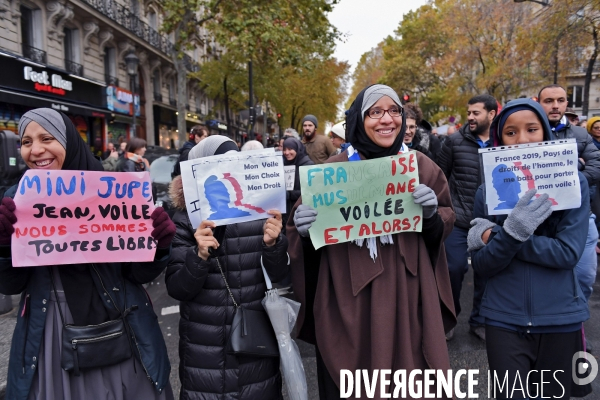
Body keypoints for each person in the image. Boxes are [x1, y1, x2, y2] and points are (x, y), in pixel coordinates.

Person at [287, 84, 456, 398]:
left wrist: (433, 215)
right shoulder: (331, 173)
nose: (387, 120)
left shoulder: (420, 167)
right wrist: (303, 230)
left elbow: (445, 222)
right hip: (347, 301)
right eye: (375, 112)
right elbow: (303, 245)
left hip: (408, 298)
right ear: (358, 121)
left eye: (394, 111)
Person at [0, 108, 176, 400]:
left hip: (120, 330)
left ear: (68, 141)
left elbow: (136, 273)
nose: (36, 150)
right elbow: (10, 285)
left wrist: (159, 245)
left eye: (47, 138)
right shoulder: (14, 200)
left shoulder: (113, 193)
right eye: (26, 142)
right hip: (50, 334)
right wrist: (4, 245)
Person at [468, 99, 591, 399]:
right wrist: (508, 236)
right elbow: (482, 265)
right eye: (511, 132)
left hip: (559, 318)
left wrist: (502, 234)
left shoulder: (575, 184)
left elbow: (567, 253)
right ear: (500, 139)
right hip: (503, 319)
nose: (522, 139)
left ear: (546, 133)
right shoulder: (489, 192)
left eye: (532, 129)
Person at [165, 135, 289, 400]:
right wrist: (198, 256)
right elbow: (177, 287)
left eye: (233, 164)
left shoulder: (260, 212)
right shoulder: (186, 219)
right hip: (204, 349)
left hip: (254, 344)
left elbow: (280, 276)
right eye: (217, 165)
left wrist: (273, 245)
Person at [437, 94, 498, 341]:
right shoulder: (453, 142)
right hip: (459, 221)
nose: (470, 117)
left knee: (487, 271)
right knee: (454, 268)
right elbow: (440, 177)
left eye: (476, 113)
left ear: (492, 114)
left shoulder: (503, 141)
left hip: (491, 222)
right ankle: (449, 320)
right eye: (469, 113)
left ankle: (479, 321)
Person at [538, 84, 600, 303]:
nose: (555, 106)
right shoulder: (531, 132)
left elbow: (595, 167)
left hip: (580, 213)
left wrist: (575, 168)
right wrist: (572, 166)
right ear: (539, 103)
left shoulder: (581, 134)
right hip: (541, 214)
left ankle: (578, 319)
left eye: (561, 100)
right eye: (549, 101)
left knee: (585, 274)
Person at [282, 137, 314, 230]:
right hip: (285, 212)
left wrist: (290, 194)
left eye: (290, 149)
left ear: (297, 149)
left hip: (301, 213)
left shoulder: (308, 166)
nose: (286, 153)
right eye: (284, 149)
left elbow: (310, 192)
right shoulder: (283, 164)